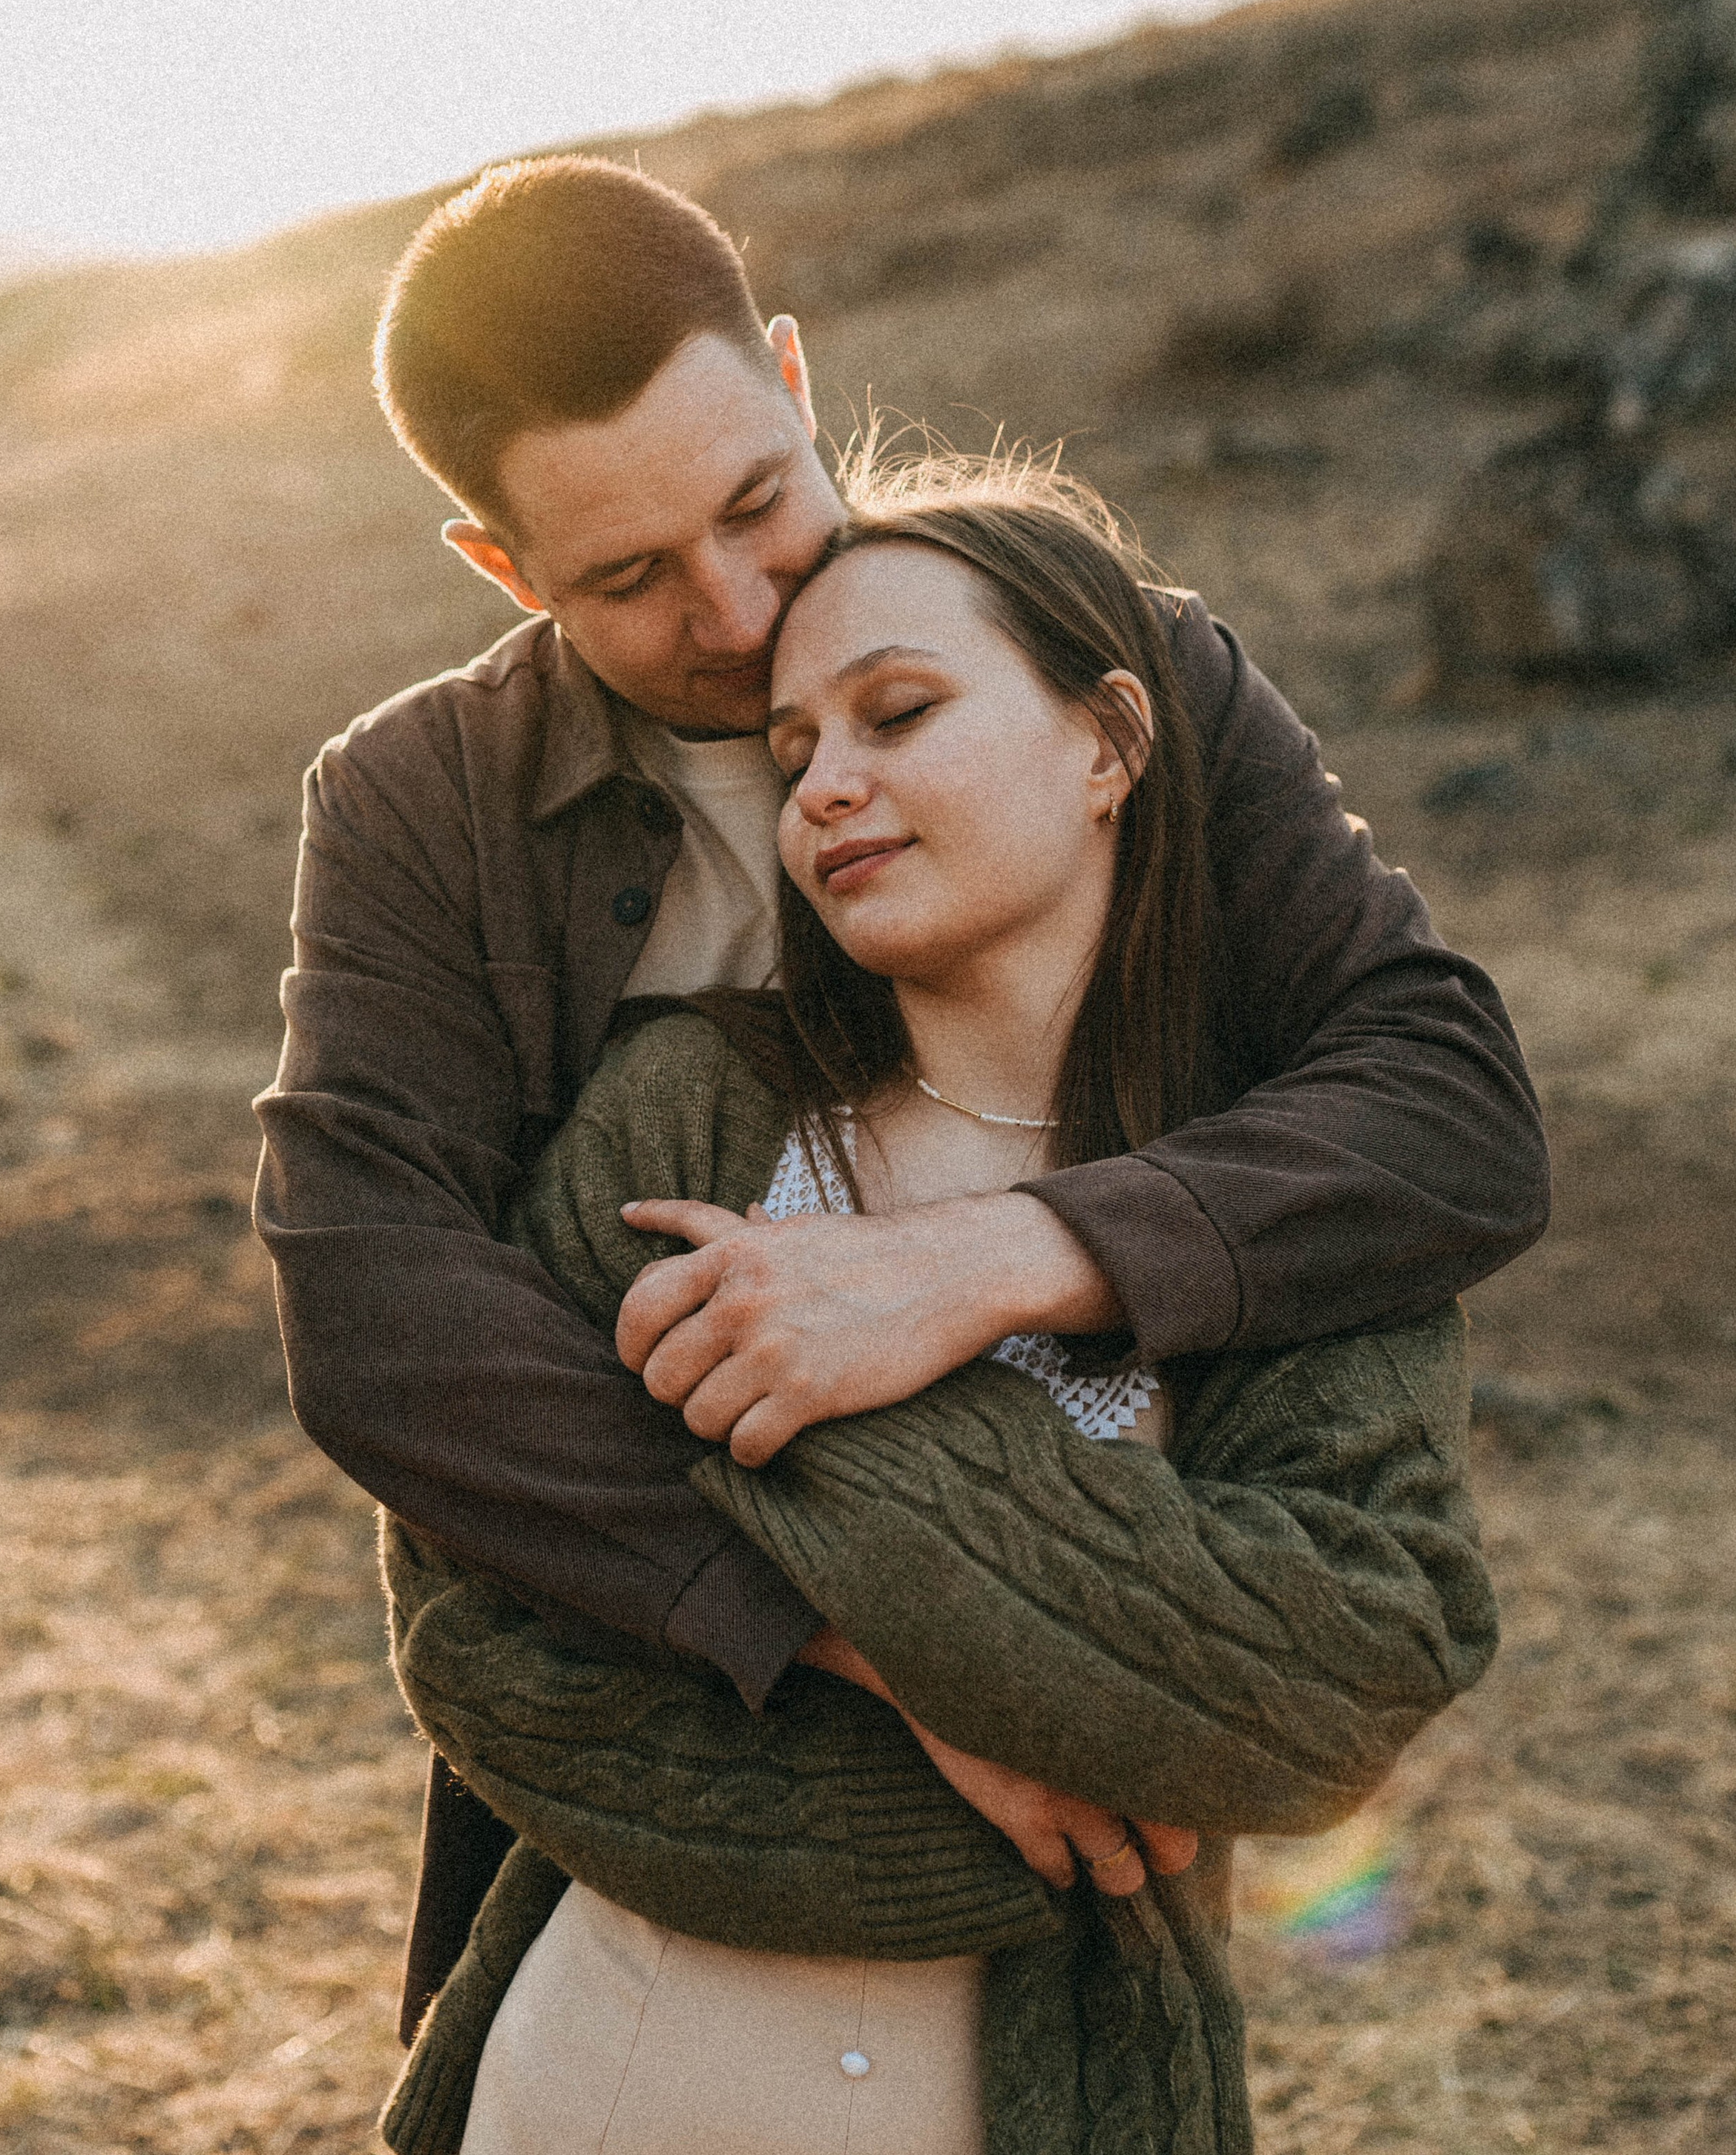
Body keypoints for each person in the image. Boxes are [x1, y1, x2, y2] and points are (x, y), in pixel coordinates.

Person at [251, 154, 1547, 2031]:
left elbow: (1445, 1101)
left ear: (790, 372)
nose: (730, 601)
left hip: (1144, 1660)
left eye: (759, 501)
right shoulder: (414, 805)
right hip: (669, 1733)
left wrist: (986, 1260)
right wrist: (890, 1645)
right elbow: (376, 1307)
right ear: (500, 570)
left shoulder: (1121, 660)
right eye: (623, 577)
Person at [374, 464, 1501, 2155]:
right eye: (792, 744)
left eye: (897, 714)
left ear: (1107, 742)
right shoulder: (684, 1117)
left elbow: (1341, 1683)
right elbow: (486, 1632)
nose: (817, 784)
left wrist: (813, 1415)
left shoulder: (1287, 1204)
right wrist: (1047, 1725)